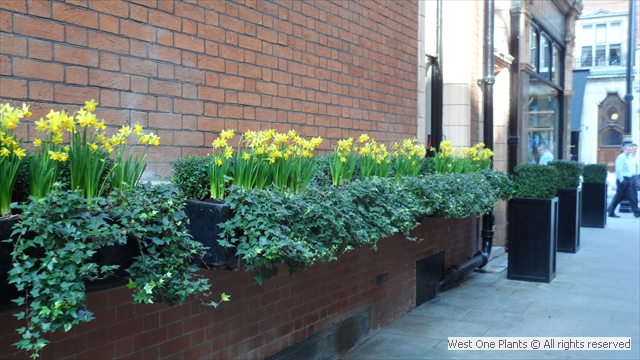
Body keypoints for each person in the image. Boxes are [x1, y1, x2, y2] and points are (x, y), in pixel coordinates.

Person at [607, 144, 640, 218]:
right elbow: (618, 169)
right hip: (623, 179)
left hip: (629, 179)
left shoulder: (630, 157)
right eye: (628, 150)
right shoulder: (621, 157)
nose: (629, 151)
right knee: (618, 196)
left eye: (630, 150)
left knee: (631, 196)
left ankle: (637, 212)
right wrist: (621, 180)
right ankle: (610, 211)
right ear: (624, 149)